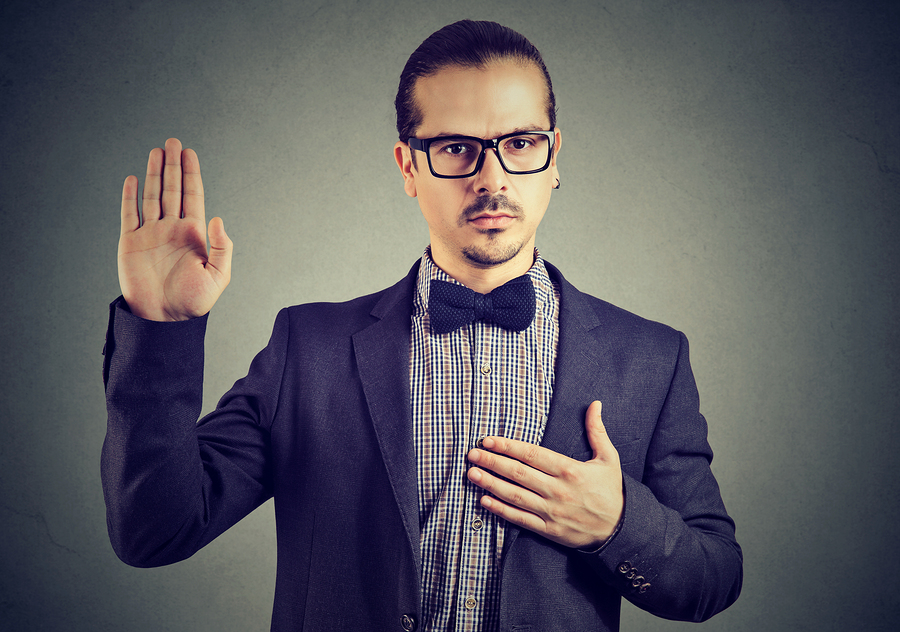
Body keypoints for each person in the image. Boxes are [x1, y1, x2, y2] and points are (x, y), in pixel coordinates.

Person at [102, 20, 742, 632]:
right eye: (456, 148)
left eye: (519, 144)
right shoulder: (308, 349)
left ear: (553, 159)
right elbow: (155, 530)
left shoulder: (651, 359)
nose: (491, 179)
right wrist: (162, 329)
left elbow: (713, 577)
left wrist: (617, 524)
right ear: (409, 167)